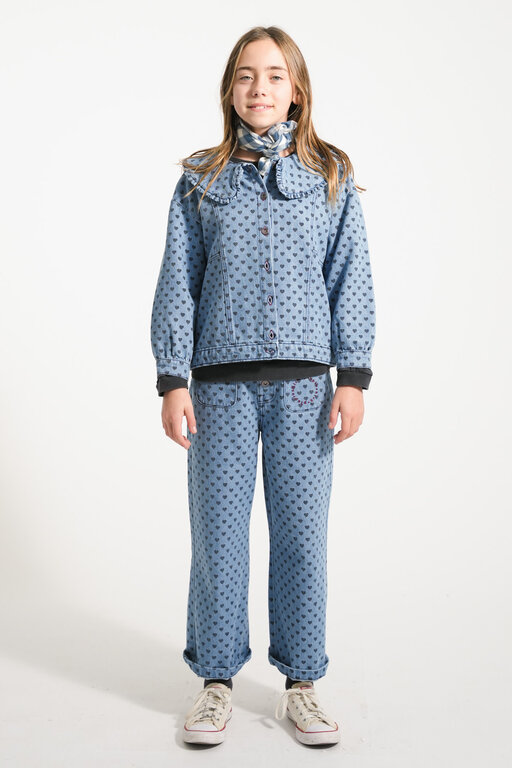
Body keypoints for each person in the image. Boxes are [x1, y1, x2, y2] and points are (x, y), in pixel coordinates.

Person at [150, 25, 376, 747]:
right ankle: (215, 682)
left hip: (307, 390)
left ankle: (301, 684)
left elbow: (351, 277)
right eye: (246, 75)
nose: (260, 88)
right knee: (218, 540)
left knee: (303, 540)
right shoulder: (200, 179)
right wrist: (172, 379)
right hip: (217, 390)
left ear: (296, 89)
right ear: (230, 90)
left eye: (275, 75)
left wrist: (354, 376)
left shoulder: (330, 175)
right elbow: (178, 282)